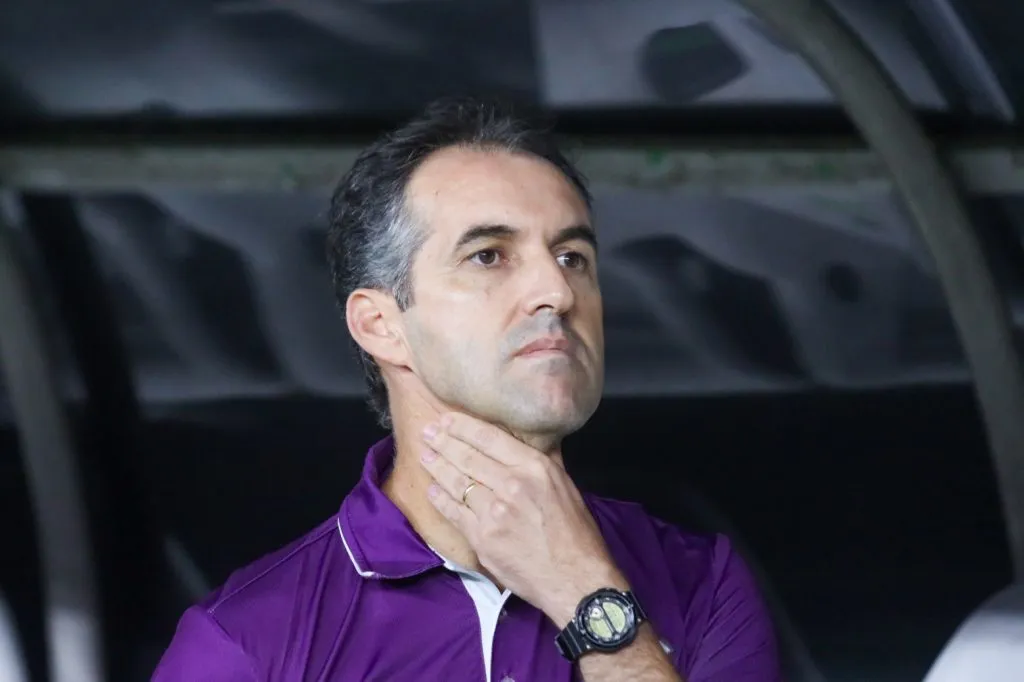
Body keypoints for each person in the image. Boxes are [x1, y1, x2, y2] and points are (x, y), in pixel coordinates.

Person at [152, 97, 781, 681]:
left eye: (572, 258)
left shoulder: (700, 578)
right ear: (382, 325)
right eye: (489, 256)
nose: (557, 294)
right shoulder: (246, 639)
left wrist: (586, 596)